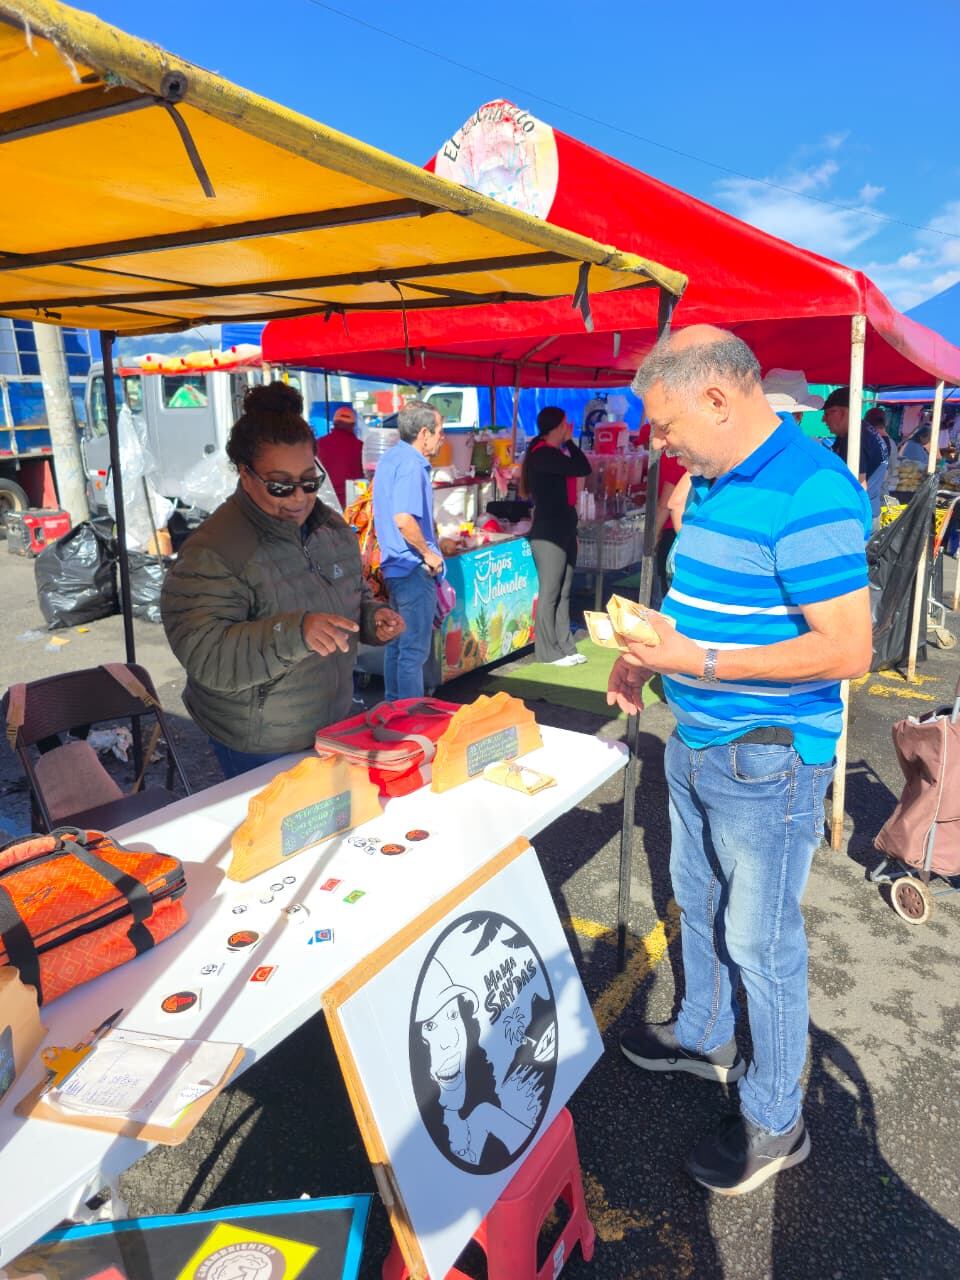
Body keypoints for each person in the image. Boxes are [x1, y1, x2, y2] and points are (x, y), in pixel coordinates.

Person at [608, 326, 871, 1196]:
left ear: (719, 399)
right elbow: (699, 598)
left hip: (766, 758)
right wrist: (646, 651)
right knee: (699, 899)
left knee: (762, 942)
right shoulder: (714, 477)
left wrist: (705, 665)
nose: (657, 441)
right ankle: (705, 1032)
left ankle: (774, 1120)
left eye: (663, 423)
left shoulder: (812, 490)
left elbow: (847, 652)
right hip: (695, 734)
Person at [161, 383, 404, 779]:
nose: (297, 498)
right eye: (279, 485)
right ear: (244, 473)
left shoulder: (332, 529)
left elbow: (350, 595)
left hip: (330, 724)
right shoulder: (215, 549)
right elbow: (205, 655)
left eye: (309, 482)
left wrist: (371, 617)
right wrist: (296, 633)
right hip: (258, 741)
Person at [372, 400, 446, 701]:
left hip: (395, 565)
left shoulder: (392, 458)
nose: (443, 438)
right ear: (425, 433)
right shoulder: (411, 463)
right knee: (412, 650)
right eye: (440, 431)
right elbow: (403, 519)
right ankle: (410, 717)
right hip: (411, 567)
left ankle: (394, 709)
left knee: (398, 645)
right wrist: (428, 554)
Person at [520, 406, 592, 666]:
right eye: (565, 425)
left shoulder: (552, 453)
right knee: (550, 591)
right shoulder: (543, 455)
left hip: (563, 527)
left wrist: (569, 442)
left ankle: (565, 645)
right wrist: (571, 441)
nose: (568, 429)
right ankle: (547, 651)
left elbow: (582, 467)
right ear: (558, 427)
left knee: (564, 590)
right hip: (547, 532)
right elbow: (582, 467)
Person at [822, 387, 889, 532]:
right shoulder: (868, 431)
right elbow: (884, 475)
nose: (823, 420)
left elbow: (859, 484)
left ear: (844, 412)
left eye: (828, 414)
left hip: (858, 518)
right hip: (871, 511)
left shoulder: (854, 440)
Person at [316, 404, 364, 508]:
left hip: (326, 502)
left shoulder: (319, 444)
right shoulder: (361, 447)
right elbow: (364, 479)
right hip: (354, 503)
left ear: (334, 423)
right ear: (353, 425)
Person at [864, 405, 897, 491]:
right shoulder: (891, 443)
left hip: (871, 491)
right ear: (885, 423)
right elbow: (890, 469)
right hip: (882, 491)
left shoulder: (869, 442)